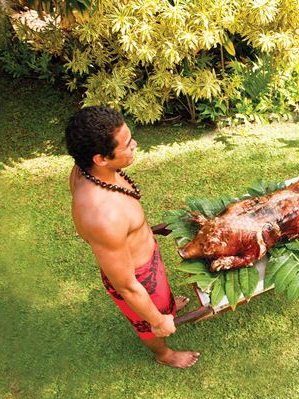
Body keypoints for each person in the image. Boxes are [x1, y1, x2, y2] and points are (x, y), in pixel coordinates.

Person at [65, 106, 200, 368]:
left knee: (163, 300)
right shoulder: (103, 216)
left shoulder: (85, 168)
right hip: (137, 278)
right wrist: (158, 321)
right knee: (148, 323)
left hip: (147, 259)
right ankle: (164, 354)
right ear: (101, 159)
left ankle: (168, 307)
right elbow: (127, 286)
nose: (135, 144)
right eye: (127, 145)